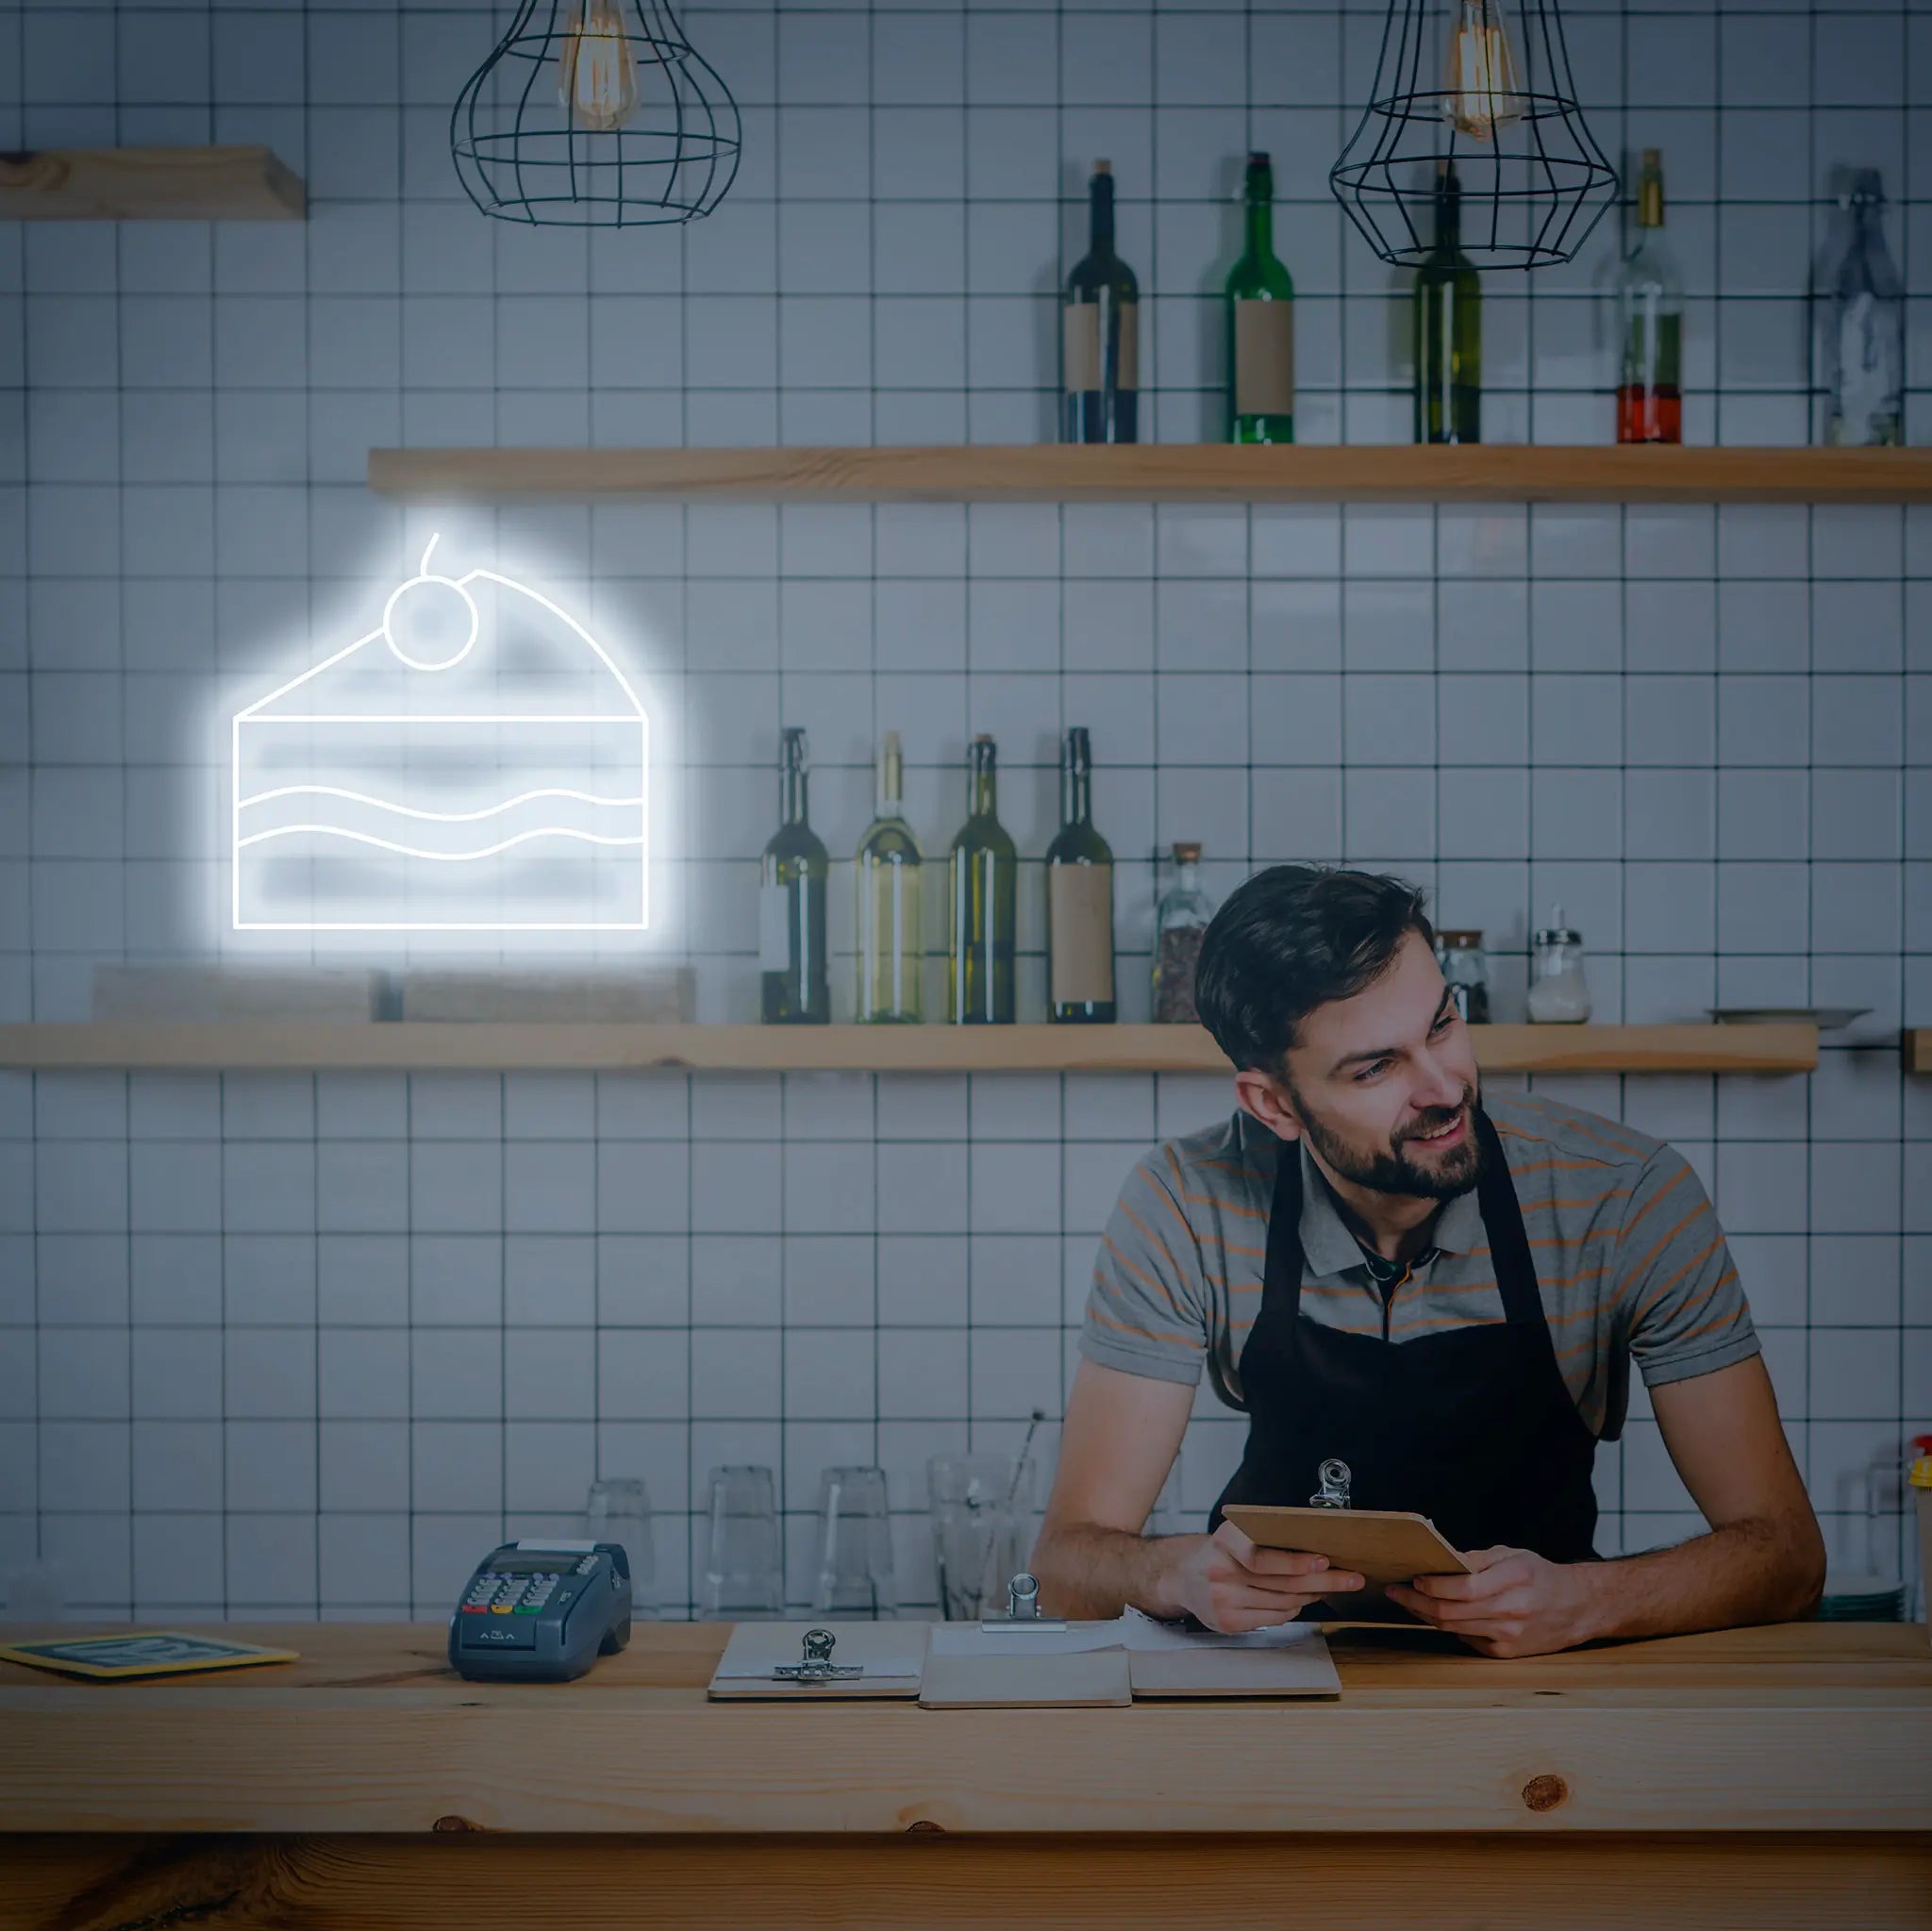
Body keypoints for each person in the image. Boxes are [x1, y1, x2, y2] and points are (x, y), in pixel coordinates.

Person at [1034, 866, 1824, 1656]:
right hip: (1271, 1696)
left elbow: (1787, 1557)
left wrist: (1588, 1600)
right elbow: (1067, 1566)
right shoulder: (1182, 1202)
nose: (1446, 1088)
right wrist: (1177, 1575)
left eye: (1442, 1024)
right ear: (1274, 1104)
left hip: (1546, 1709)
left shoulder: (1627, 1198)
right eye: (1377, 1068)